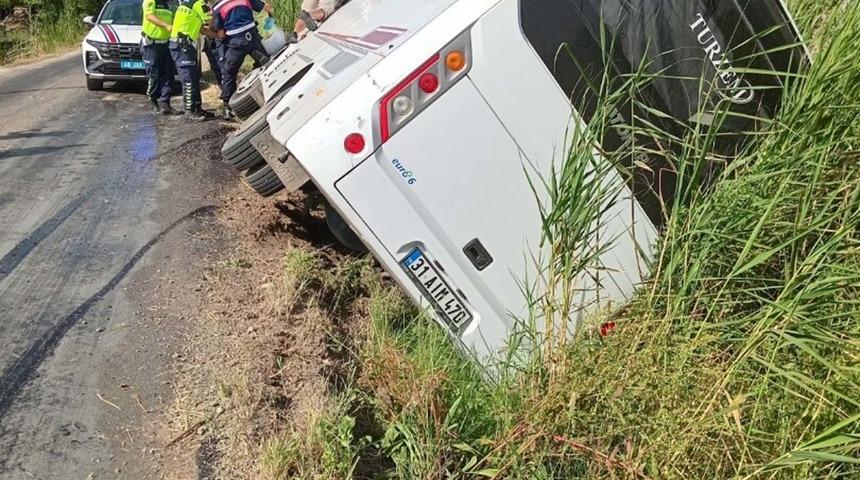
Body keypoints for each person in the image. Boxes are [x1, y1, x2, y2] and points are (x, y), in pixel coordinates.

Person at [212, 0, 273, 117]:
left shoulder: (218, 7)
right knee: (266, 63)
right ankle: (269, 89)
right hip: (254, 39)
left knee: (228, 73)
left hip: (236, 44)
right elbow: (268, 8)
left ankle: (228, 108)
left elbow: (221, 33)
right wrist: (270, 22)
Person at [169, 0, 215, 120]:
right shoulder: (198, 3)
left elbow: (201, 29)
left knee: (194, 78)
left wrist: (216, 35)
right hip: (182, 46)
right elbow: (210, 21)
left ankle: (197, 109)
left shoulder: (188, 3)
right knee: (188, 79)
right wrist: (217, 22)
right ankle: (189, 112)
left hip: (184, 45)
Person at [141, 0, 178, 114]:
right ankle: (153, 102)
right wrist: (166, 25)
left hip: (166, 43)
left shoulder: (169, 3)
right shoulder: (151, 1)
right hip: (152, 43)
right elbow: (149, 16)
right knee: (154, 75)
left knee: (168, 75)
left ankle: (165, 103)